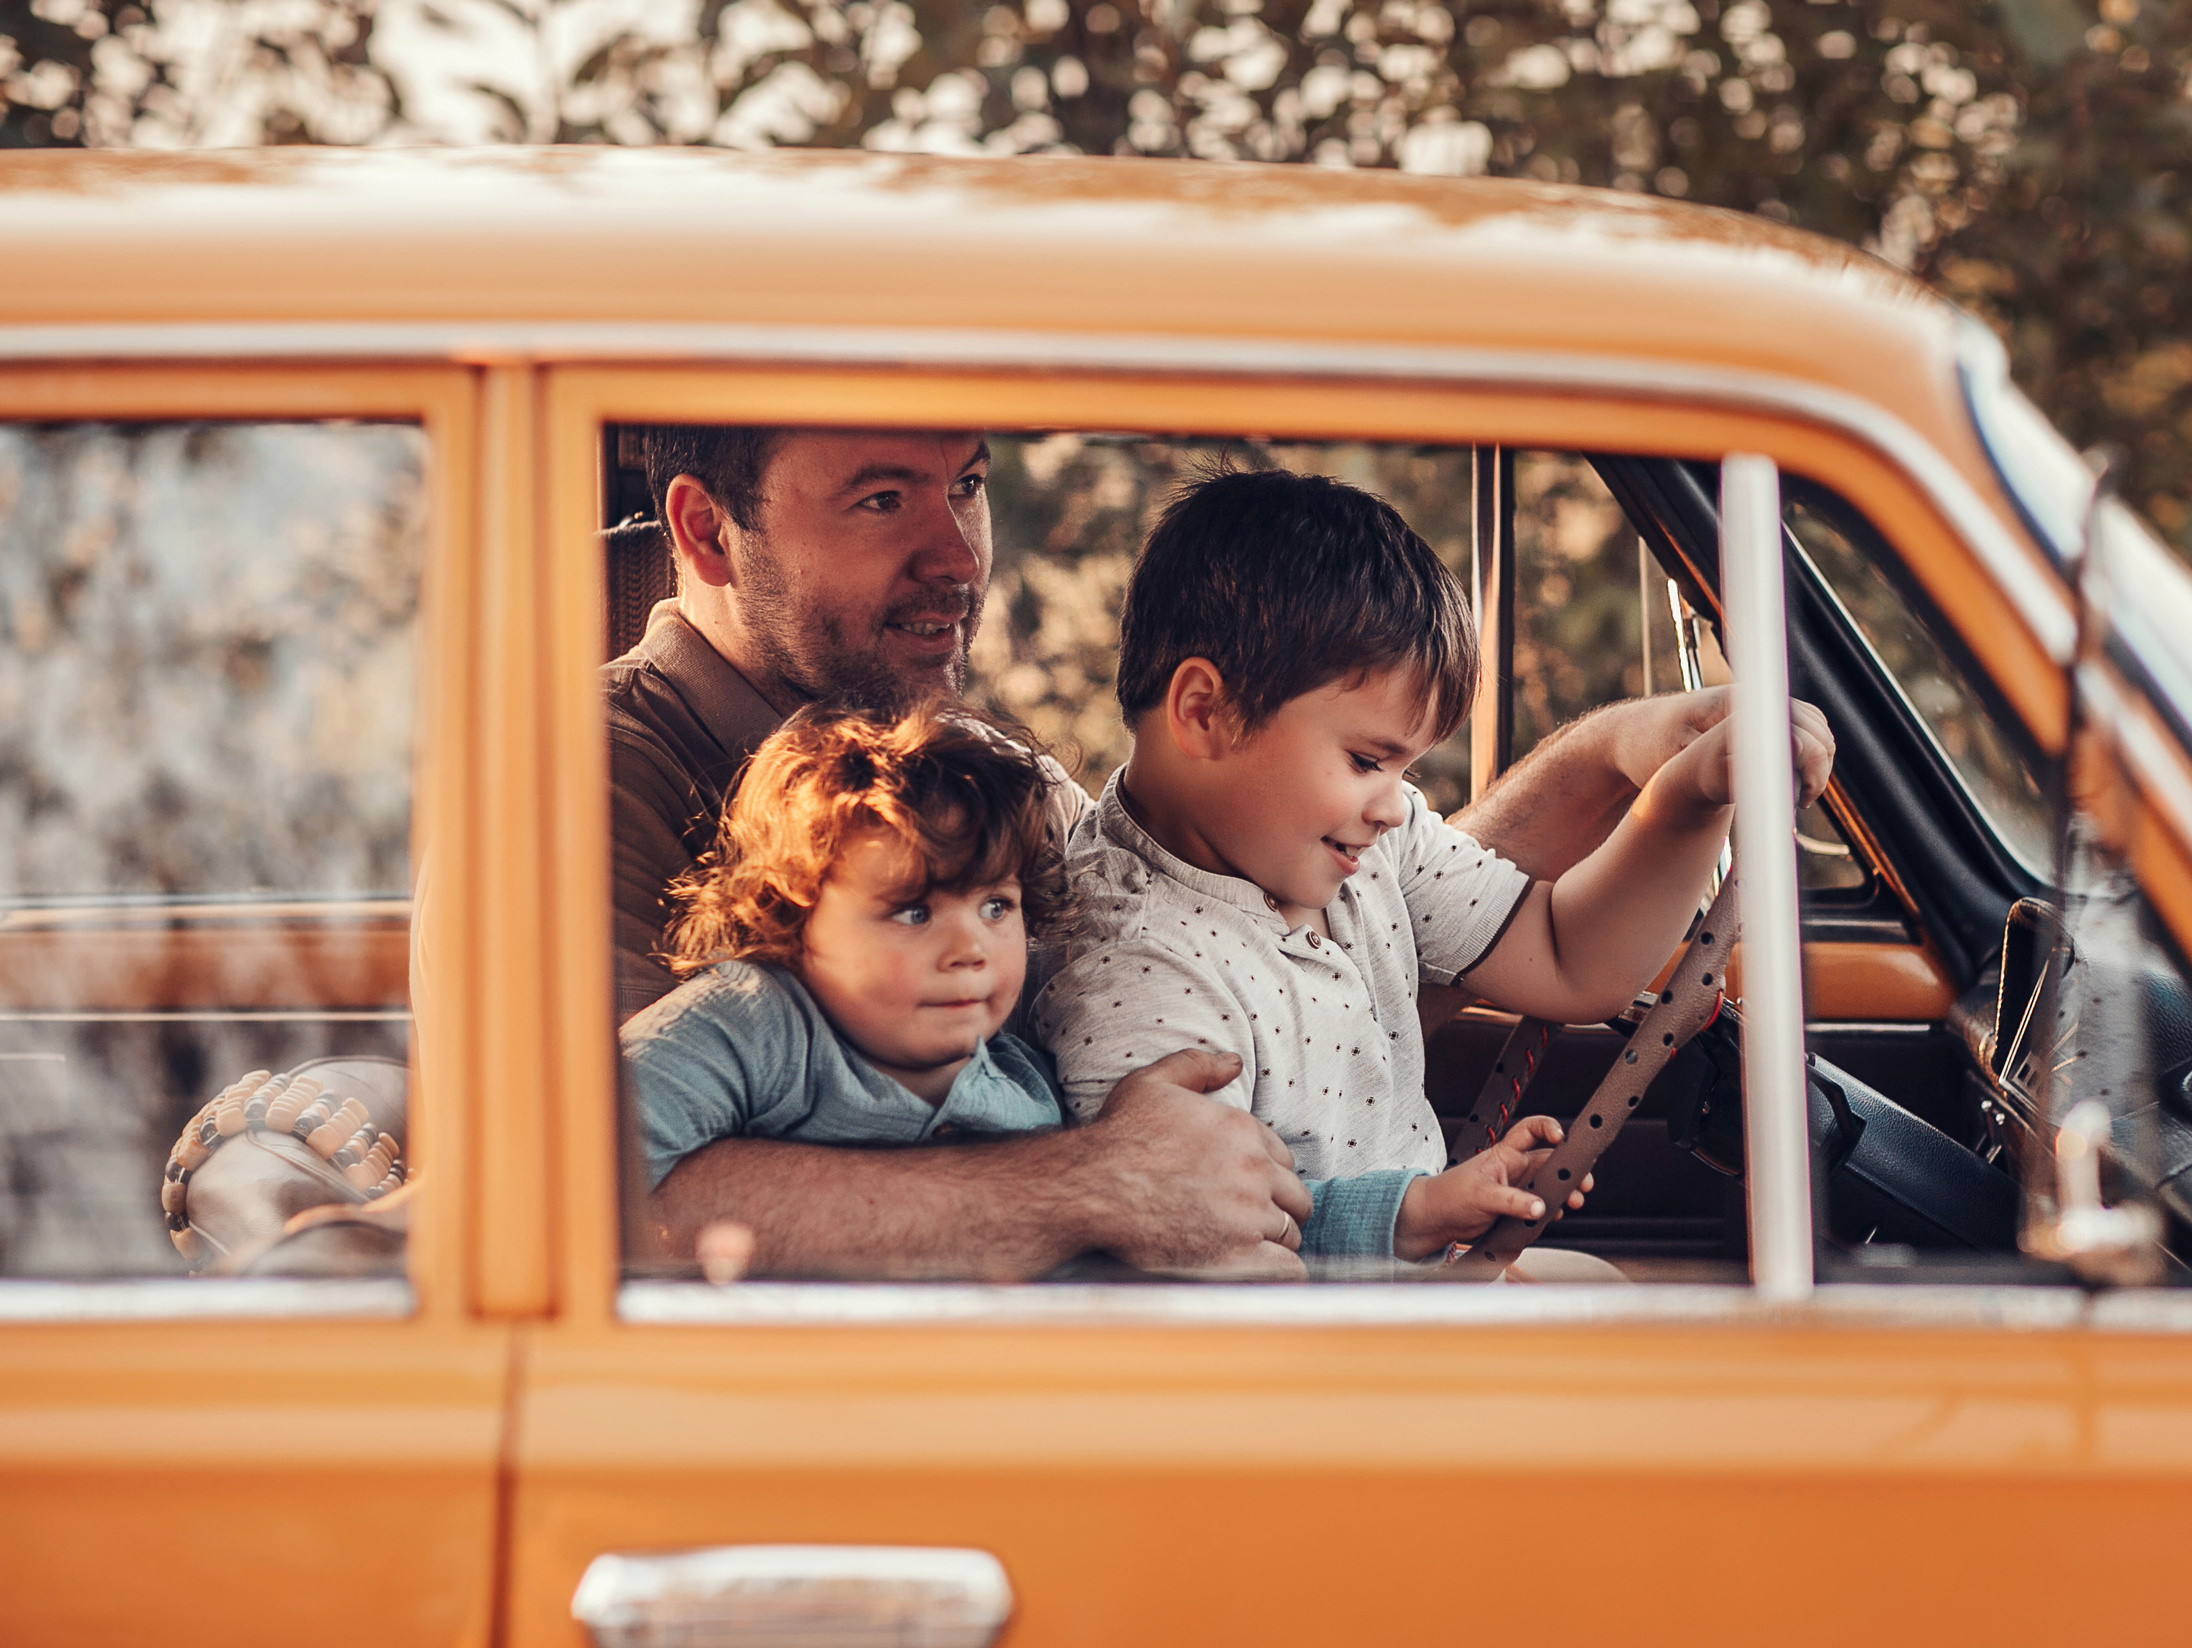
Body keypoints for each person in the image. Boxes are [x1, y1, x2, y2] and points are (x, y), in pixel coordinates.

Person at [613, 424, 1792, 1279]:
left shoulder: (958, 754)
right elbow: (577, 1194)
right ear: (707, 530)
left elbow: (1291, 901)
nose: (961, 556)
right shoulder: (591, 776)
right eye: (881, 499)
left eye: (966, 484)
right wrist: (1096, 1184)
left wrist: (1631, 772)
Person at [1030, 469, 1834, 1275]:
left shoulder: (1361, 840)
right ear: (1205, 713)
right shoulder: (1135, 975)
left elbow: (1565, 958)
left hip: (1413, 1282)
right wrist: (1413, 1219)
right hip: (1325, 1360)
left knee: (1613, 1298)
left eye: (1402, 766)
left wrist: (1686, 797)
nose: (1392, 802)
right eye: (1366, 759)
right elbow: (1215, 1267)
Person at [623, 704, 1069, 1191]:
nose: (969, 949)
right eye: (914, 912)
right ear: (792, 917)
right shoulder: (756, 1027)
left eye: (996, 908)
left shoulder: (1029, 1082)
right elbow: (589, 1159)